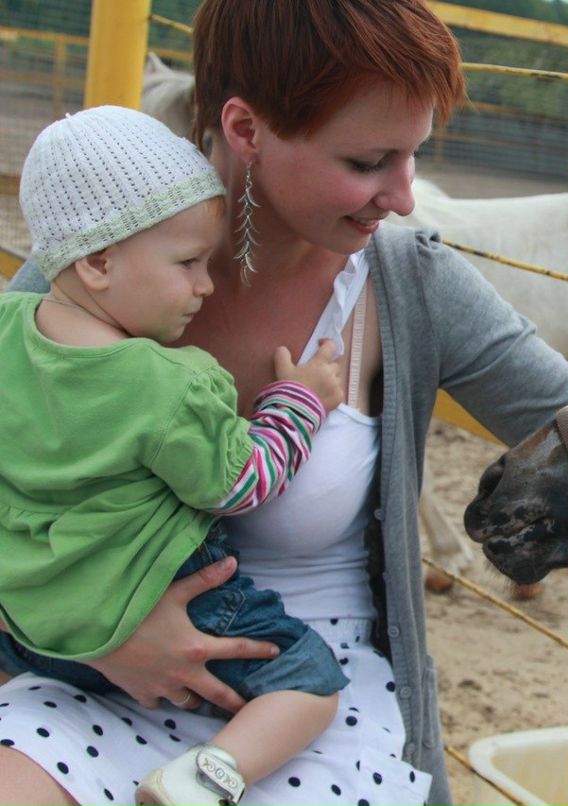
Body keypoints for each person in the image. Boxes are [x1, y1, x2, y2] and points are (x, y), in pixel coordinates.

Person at [0, 2, 568, 804]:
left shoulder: (411, 282)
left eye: (415, 155)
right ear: (246, 128)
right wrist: (90, 634)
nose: (406, 195)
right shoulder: (92, 264)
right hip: (85, 666)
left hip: (309, 689)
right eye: (367, 161)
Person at [0, 105, 365, 805]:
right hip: (167, 602)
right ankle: (206, 776)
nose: (205, 285)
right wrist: (302, 402)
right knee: (312, 684)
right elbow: (244, 481)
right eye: (189, 263)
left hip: (32, 626)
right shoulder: (167, 382)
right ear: (99, 261)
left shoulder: (9, 330)